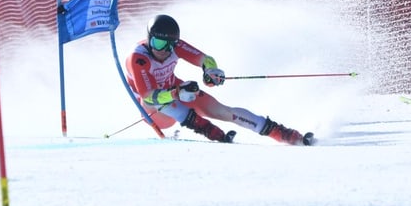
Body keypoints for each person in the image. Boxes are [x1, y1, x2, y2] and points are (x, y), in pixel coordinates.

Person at [125, 14, 314, 145]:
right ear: (149, 40)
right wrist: (176, 93)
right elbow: (148, 96)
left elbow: (205, 60)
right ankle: (208, 130)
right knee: (158, 102)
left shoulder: (175, 46)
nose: (164, 50)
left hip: (176, 91)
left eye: (170, 45)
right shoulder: (138, 58)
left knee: (223, 111)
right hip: (155, 111)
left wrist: (211, 71)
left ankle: (280, 133)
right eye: (158, 43)